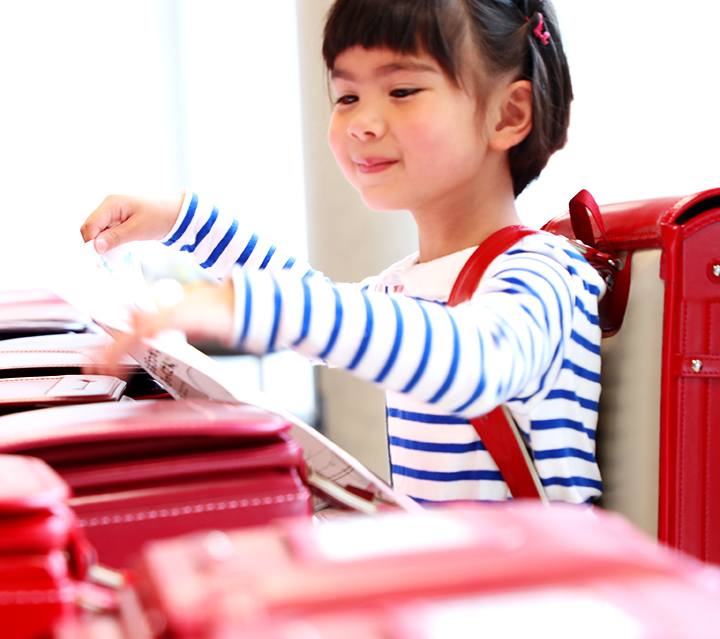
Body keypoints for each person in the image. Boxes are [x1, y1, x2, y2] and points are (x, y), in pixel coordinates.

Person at [81, 0, 604, 505]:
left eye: (401, 90)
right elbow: (322, 304)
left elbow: (476, 359)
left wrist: (247, 303)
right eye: (347, 96)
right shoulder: (410, 283)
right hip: (451, 576)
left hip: (537, 589)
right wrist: (182, 219)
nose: (361, 122)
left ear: (508, 115)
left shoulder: (546, 272)